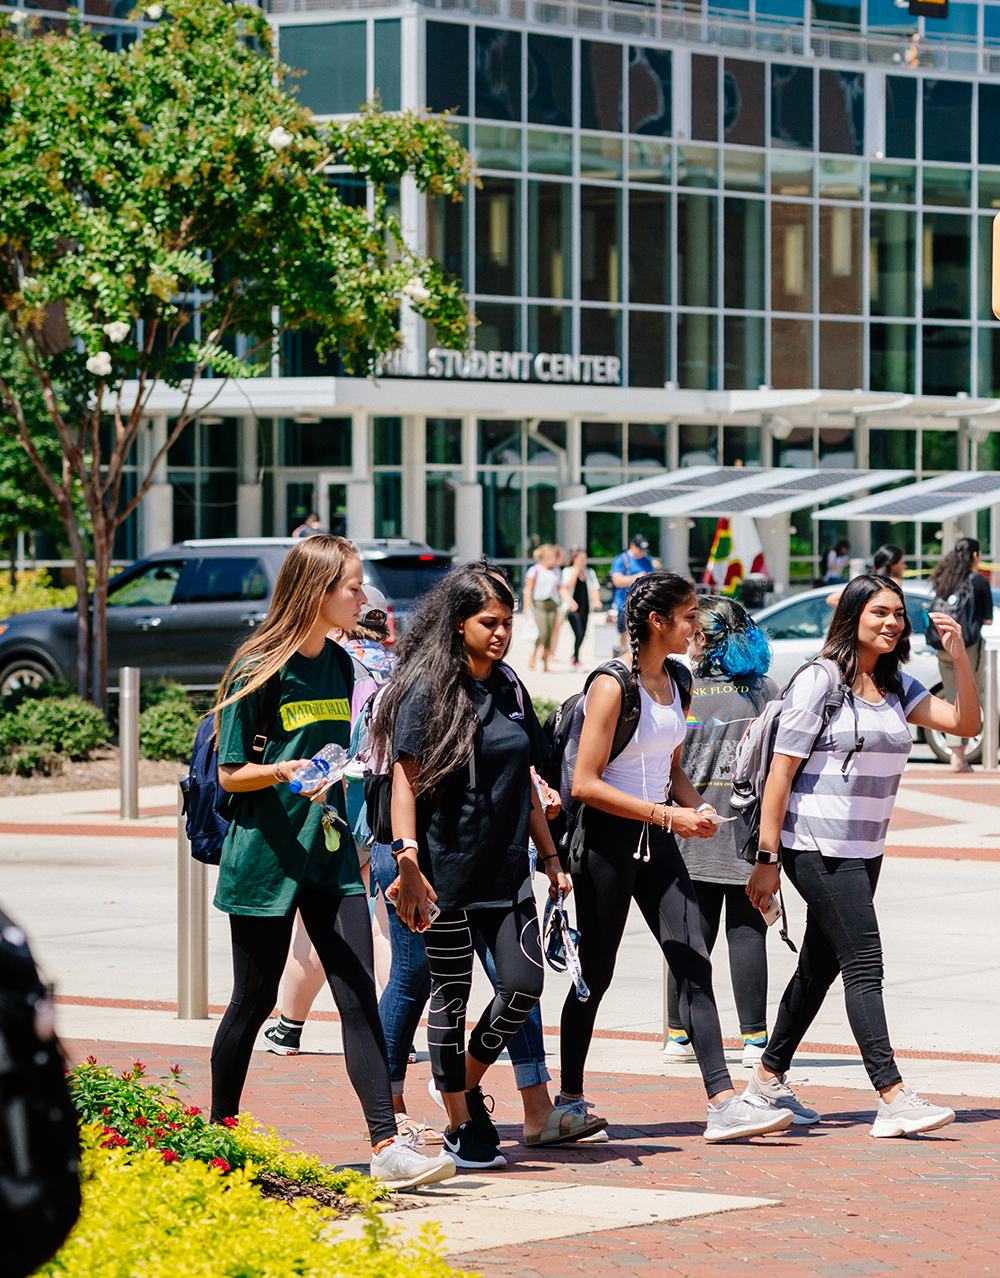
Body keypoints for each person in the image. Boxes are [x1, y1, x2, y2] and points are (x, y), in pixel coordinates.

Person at [209, 533, 454, 1190]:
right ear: (316, 591)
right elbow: (231, 774)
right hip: (266, 855)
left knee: (356, 994)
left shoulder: (343, 667)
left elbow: (345, 754)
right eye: (351, 585)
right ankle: (218, 1135)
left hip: (332, 849)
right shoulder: (257, 665)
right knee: (252, 1001)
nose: (362, 596)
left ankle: (384, 1144)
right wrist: (282, 770)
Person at [371, 563, 608, 1169]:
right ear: (457, 624)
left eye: (507, 622)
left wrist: (551, 856)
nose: (501, 633)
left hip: (507, 871)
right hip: (441, 872)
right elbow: (405, 782)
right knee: (449, 995)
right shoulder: (424, 688)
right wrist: (408, 859)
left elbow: (526, 778)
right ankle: (459, 1123)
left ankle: (459, 1082)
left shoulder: (509, 686)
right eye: (488, 622)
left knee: (523, 985)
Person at [560, 571, 793, 1143]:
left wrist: (704, 814)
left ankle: (721, 1101)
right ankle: (567, 1100)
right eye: (688, 615)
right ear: (658, 622)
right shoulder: (612, 685)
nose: (697, 626)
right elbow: (586, 784)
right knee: (597, 971)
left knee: (691, 957)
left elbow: (670, 770)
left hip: (657, 840)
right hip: (607, 845)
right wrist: (668, 815)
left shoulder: (679, 681)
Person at [746, 573, 980, 1138]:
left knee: (819, 966)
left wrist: (960, 661)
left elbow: (965, 725)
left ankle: (765, 1081)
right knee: (866, 962)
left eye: (898, 614)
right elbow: (779, 775)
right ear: (853, 617)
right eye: (880, 612)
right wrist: (767, 857)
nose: (892, 622)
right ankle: (892, 1095)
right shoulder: (820, 682)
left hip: (864, 847)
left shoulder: (898, 686)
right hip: (815, 846)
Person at [262, 587, 396, 1059]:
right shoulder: (398, 671)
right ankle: (394, 1026)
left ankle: (288, 1027)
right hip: (389, 810)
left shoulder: (337, 665)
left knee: (316, 926)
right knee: (384, 925)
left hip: (339, 808)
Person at [665, 596, 779, 1070]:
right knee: (748, 930)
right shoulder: (765, 690)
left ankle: (678, 1035)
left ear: (702, 639)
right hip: (747, 831)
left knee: (689, 932)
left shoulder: (680, 687)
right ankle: (755, 1040)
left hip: (688, 827)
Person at [928, 536, 993, 772]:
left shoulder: (943, 577)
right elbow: (987, 618)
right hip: (968, 646)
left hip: (941, 644)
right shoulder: (978, 581)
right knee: (971, 696)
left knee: (952, 696)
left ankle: (956, 754)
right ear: (975, 556)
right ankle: (959, 758)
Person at [524, 544, 565, 672]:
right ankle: (534, 654)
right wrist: (526, 606)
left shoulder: (557, 571)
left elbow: (560, 588)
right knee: (542, 633)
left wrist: (570, 600)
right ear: (546, 557)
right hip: (540, 604)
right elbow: (528, 589)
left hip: (553, 604)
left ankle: (545, 663)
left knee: (550, 635)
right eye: (553, 556)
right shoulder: (534, 570)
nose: (555, 559)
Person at [610, 534, 654, 650]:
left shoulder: (647, 560)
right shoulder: (621, 560)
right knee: (623, 632)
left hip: (643, 605)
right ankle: (623, 654)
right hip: (624, 605)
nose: (642, 553)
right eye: (640, 550)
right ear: (632, 546)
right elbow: (617, 581)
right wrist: (636, 577)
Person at [562, 547, 602, 669]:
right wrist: (576, 571)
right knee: (578, 633)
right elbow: (569, 586)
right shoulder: (568, 571)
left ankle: (576, 657)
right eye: (581, 559)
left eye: (585, 559)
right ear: (574, 559)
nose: (583, 561)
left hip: (585, 607)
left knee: (583, 634)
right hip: (572, 608)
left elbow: (595, 588)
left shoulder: (590, 572)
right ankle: (575, 657)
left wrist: (597, 601)